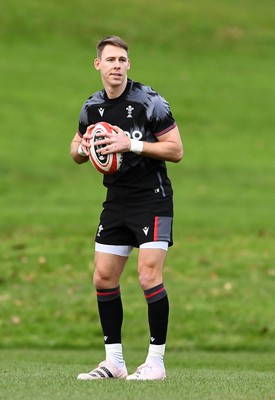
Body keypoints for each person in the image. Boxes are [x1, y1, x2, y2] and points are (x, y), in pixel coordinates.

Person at [70, 35, 183, 381]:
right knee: (103, 277)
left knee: (149, 275)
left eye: (123, 60)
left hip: (152, 197)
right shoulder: (92, 107)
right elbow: (75, 146)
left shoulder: (150, 101)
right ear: (98, 65)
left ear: (128, 65)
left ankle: (156, 363)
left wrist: (131, 144)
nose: (117, 65)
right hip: (116, 201)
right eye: (111, 60)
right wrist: (84, 147)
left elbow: (176, 149)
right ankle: (114, 362)